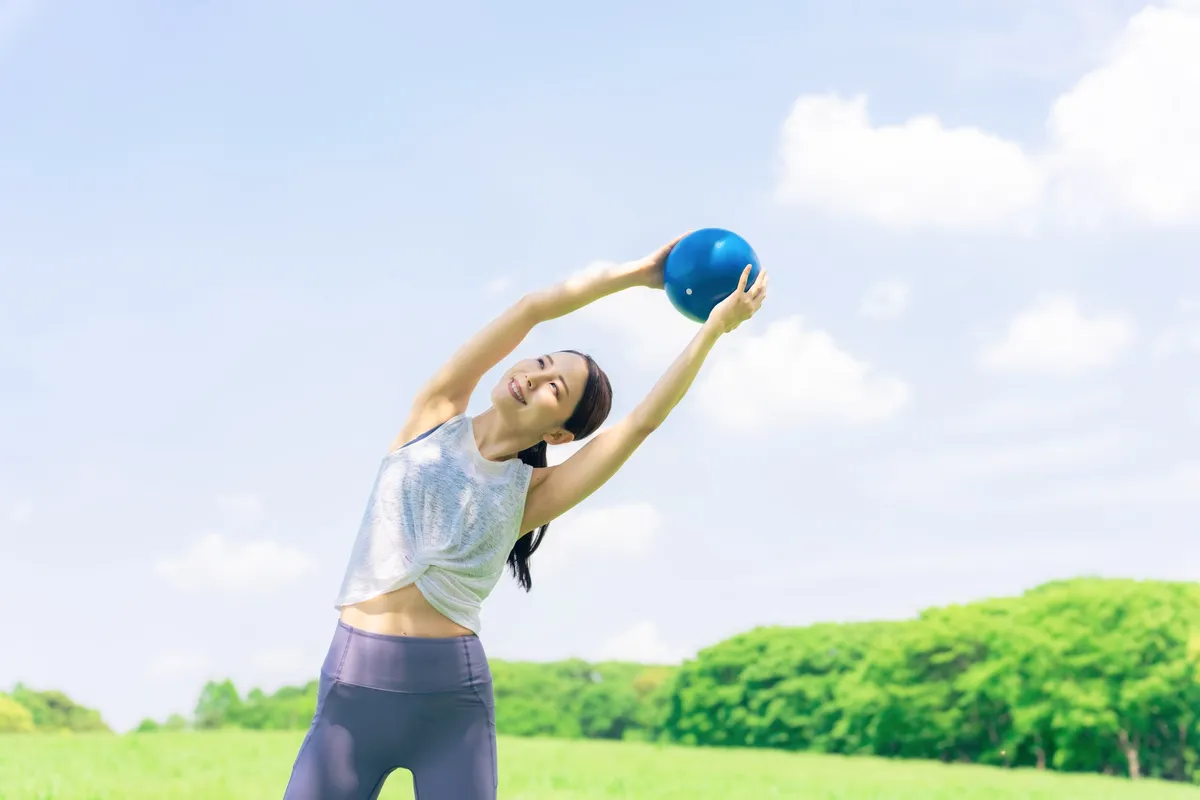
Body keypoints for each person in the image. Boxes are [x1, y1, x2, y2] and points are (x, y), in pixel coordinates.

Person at [282, 234, 769, 800]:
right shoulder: (434, 414)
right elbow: (531, 309)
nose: (533, 377)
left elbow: (639, 424)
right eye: (540, 364)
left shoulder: (534, 494)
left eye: (552, 388)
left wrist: (711, 331)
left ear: (559, 433)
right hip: (352, 690)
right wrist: (638, 274)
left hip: (450, 706)